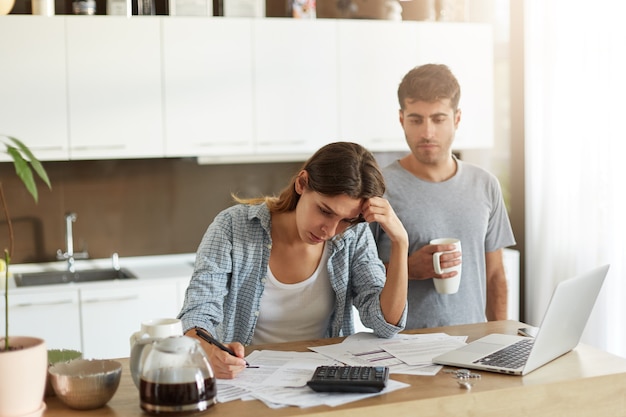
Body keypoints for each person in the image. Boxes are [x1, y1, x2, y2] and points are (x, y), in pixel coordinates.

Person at [178, 141, 409, 379]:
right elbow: (199, 311)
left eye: (346, 220)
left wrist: (400, 242)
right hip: (247, 378)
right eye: (325, 211)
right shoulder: (233, 227)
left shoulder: (354, 236)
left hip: (322, 380)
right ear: (302, 183)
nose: (329, 231)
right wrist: (208, 350)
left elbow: (384, 325)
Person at [371, 63, 516, 329]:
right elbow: (358, 276)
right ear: (402, 119)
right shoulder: (379, 189)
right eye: (416, 120)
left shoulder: (485, 185)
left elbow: (495, 275)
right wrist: (408, 269)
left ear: (456, 119)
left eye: (438, 119)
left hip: (473, 346)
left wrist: (501, 339)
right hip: (403, 348)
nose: (427, 132)